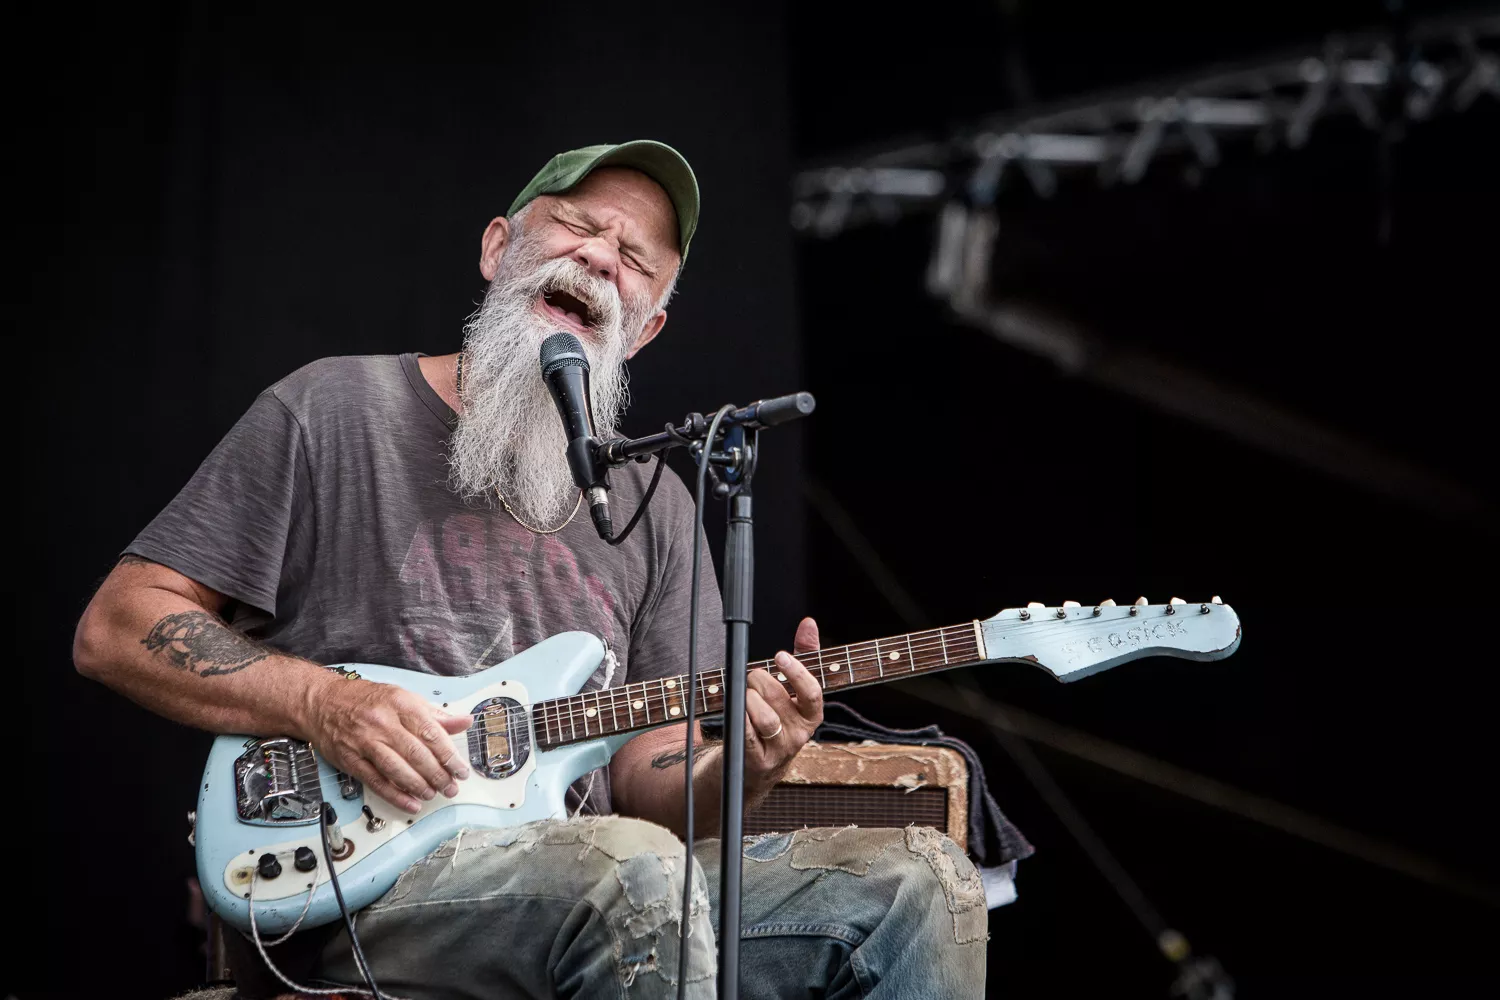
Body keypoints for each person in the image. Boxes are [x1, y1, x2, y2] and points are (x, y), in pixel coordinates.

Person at [73, 141, 989, 999]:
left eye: (634, 260)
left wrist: (748, 765)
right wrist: (325, 704)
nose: (600, 258)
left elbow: (649, 782)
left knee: (922, 882)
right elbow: (117, 625)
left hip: (593, 873)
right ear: (497, 248)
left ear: (646, 329)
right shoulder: (331, 409)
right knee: (634, 871)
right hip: (363, 884)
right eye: (579, 226)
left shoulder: (657, 504)